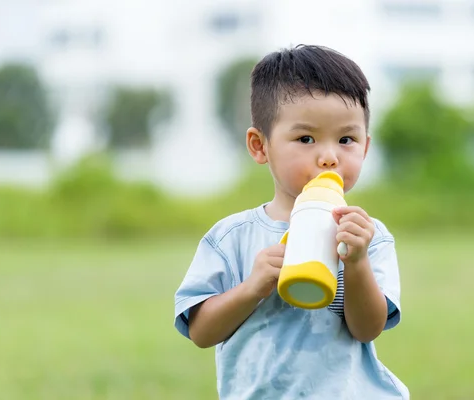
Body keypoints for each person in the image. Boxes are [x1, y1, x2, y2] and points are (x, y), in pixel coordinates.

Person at [174, 44, 409, 400]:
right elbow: (201, 333)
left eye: (346, 139)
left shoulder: (367, 237)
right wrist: (252, 287)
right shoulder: (231, 239)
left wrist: (356, 262)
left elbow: (368, 329)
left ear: (365, 147)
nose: (329, 157)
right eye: (306, 139)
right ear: (260, 146)